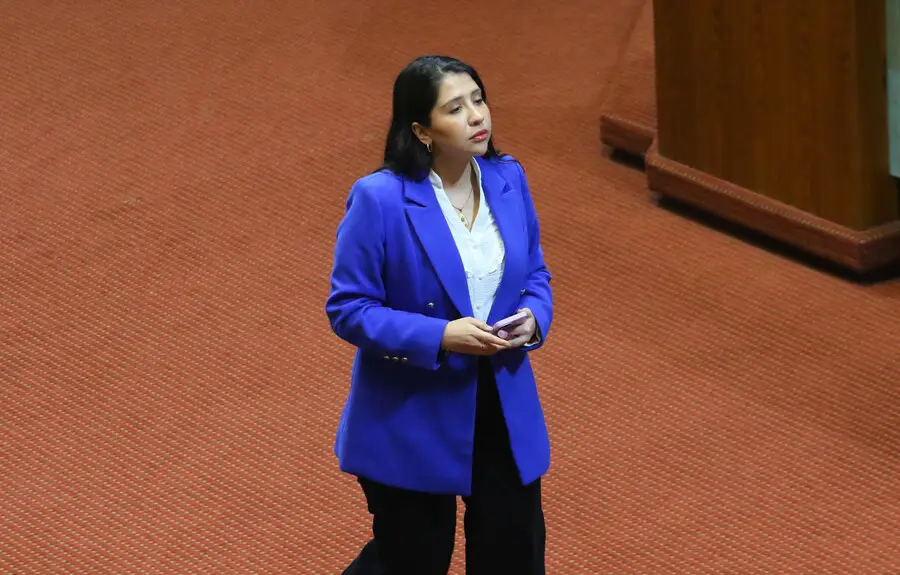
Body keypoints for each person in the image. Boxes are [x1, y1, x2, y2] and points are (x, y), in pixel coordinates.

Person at [325, 54, 553, 575]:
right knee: (412, 561)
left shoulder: (507, 178)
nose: (477, 116)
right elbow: (349, 308)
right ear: (421, 131)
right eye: (455, 108)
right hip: (414, 407)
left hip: (500, 398)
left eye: (479, 99)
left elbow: (535, 272)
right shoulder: (379, 199)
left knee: (514, 554)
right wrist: (441, 335)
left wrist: (533, 318)